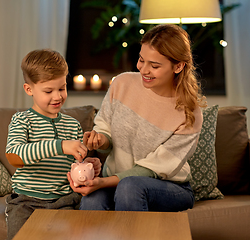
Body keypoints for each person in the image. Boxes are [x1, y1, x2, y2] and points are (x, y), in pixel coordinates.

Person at [68, 24, 206, 212]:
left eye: (154, 65)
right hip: (116, 179)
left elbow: (153, 169)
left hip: (170, 187)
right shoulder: (122, 83)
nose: (144, 70)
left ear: (179, 66)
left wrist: (104, 182)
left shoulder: (189, 112)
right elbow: (105, 130)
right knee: (93, 200)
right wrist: (100, 140)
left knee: (130, 187)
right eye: (141, 60)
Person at [4, 49, 101, 240]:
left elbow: (74, 164)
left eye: (62, 88)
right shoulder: (22, 120)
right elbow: (14, 156)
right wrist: (60, 146)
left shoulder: (72, 124)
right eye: (48, 91)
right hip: (26, 201)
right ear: (29, 89)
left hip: (64, 200)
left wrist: (88, 164)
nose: (57, 96)